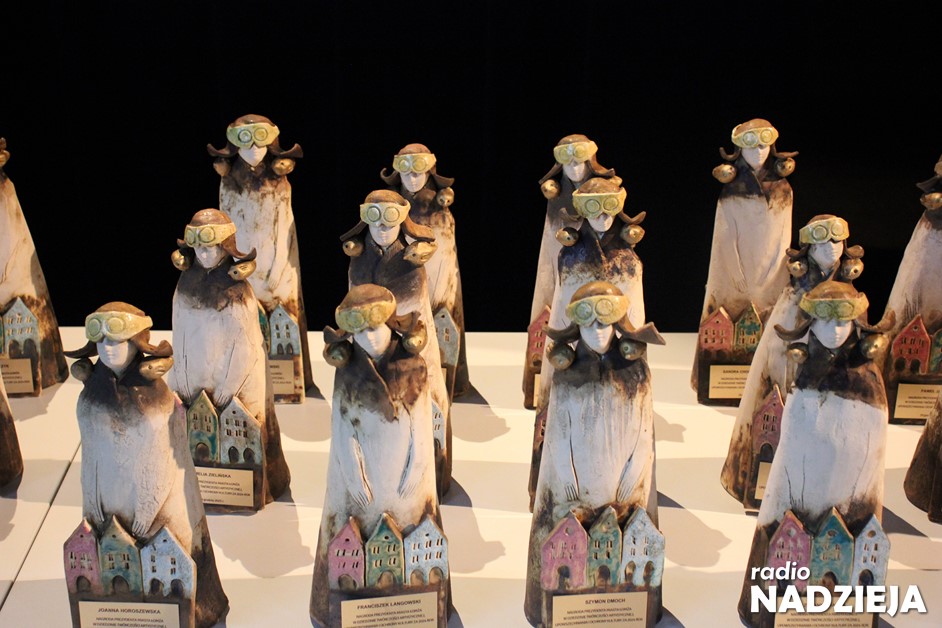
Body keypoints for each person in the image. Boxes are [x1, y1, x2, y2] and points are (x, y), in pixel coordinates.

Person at [738, 281, 892, 625]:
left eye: (843, 321)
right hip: (801, 484)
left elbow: (873, 444)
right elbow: (793, 439)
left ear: (856, 324)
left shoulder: (870, 381)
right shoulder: (804, 376)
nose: (834, 330)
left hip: (853, 484)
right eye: (824, 321)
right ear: (810, 324)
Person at [66, 303, 227, 627]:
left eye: (118, 340)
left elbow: (164, 464)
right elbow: (91, 459)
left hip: (156, 506)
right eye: (102, 341)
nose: (108, 348)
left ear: (138, 343)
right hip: (106, 501)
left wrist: (145, 513)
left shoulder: (158, 399)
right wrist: (93, 506)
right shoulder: (90, 398)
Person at [525, 282, 664, 626]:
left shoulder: (638, 374)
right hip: (577, 481)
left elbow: (644, 432)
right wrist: (566, 476)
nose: (598, 331)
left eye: (605, 322)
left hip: (624, 479)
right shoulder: (566, 376)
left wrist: (635, 472)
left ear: (618, 325)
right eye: (588, 324)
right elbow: (559, 433)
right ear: (576, 328)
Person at [310, 285, 449, 627]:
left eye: (375, 328)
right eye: (360, 332)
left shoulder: (414, 368)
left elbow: (421, 425)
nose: (369, 338)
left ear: (392, 324)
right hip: (365, 479)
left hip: (405, 474)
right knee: (358, 527)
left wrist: (418, 465)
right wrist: (354, 475)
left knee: (411, 523)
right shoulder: (348, 375)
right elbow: (344, 429)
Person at [721, 215, 863, 509]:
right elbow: (778, 347)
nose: (831, 248)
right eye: (821, 243)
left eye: (837, 241)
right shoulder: (794, 295)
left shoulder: (848, 294)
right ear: (808, 249)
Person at [170, 209, 290, 508]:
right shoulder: (183, 288)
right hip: (193, 378)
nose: (205, 253)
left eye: (212, 246)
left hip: (235, 381)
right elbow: (180, 334)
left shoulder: (239, 292)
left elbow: (244, 346)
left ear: (226, 247)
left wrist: (228, 386)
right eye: (199, 247)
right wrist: (180, 377)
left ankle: (248, 490)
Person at [342, 191, 452, 496]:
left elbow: (417, 311)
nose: (382, 227)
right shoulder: (358, 263)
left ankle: (431, 474)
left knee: (420, 409)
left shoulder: (412, 263)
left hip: (410, 345)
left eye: (390, 218)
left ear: (403, 219)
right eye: (374, 217)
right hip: (368, 348)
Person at [208, 115, 312, 401]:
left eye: (261, 141)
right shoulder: (228, 183)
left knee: (283, 317)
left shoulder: (279, 183)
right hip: (242, 264)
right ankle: (246, 380)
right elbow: (227, 231)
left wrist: (279, 268)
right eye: (246, 142)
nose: (254, 149)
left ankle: (286, 386)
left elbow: (284, 228)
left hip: (276, 264)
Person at [693, 119, 797, 397]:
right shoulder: (732, 191)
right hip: (738, 267)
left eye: (764, 145)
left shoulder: (783, 189)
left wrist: (778, 267)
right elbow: (725, 235)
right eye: (751, 147)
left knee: (768, 313)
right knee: (730, 310)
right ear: (740, 150)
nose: (758, 152)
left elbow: (784, 234)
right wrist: (734, 269)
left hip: (771, 268)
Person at [524, 135, 618, 409]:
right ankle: (542, 391)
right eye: (568, 162)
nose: (575, 168)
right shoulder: (556, 199)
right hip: (560, 273)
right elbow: (550, 250)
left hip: (592, 276)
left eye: (580, 161)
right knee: (553, 306)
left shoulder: (602, 193)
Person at [381, 143, 469, 398]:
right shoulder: (393, 209)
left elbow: (445, 253)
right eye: (405, 170)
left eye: (419, 169)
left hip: (440, 281)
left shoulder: (440, 210)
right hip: (405, 284)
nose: (412, 177)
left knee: (445, 322)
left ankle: (450, 383)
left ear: (430, 170)